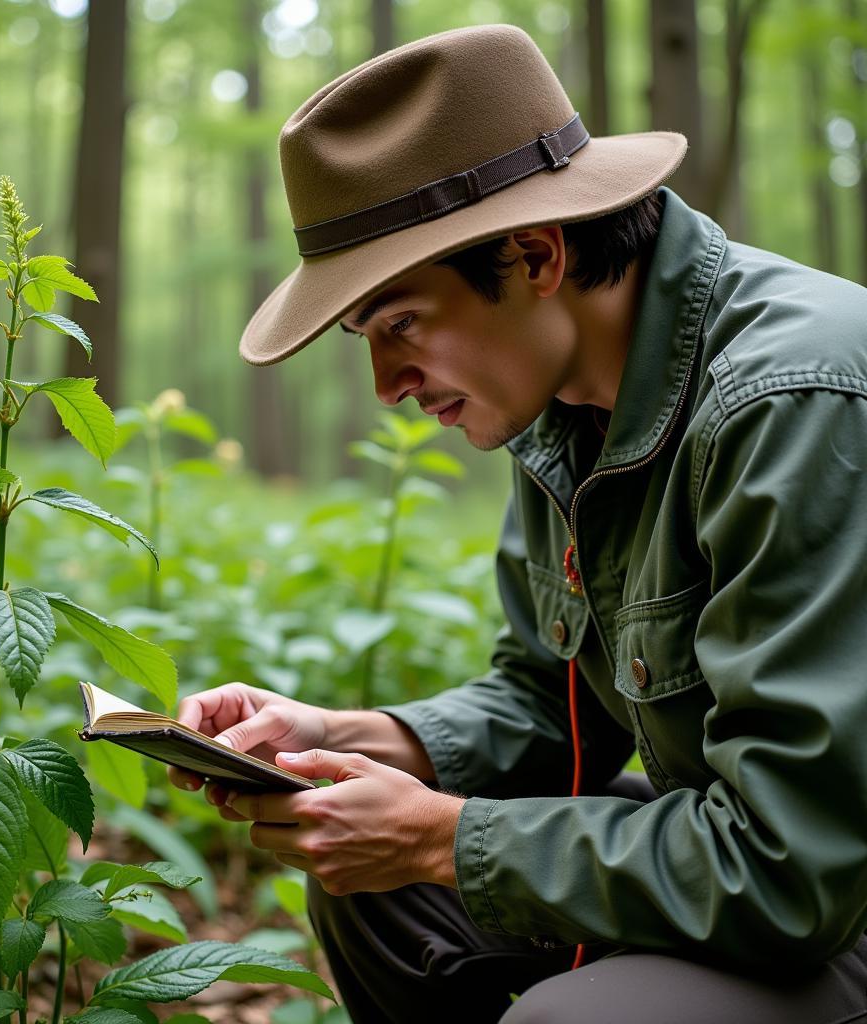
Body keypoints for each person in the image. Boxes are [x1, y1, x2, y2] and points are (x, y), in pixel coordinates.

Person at [169, 23, 867, 1023]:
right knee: (380, 891)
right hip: (760, 861)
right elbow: (549, 706)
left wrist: (438, 836)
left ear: (534, 255)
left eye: (402, 323)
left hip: (825, 887)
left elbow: (796, 866)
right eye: (365, 340)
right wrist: (339, 736)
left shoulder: (793, 402)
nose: (386, 386)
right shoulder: (562, 411)